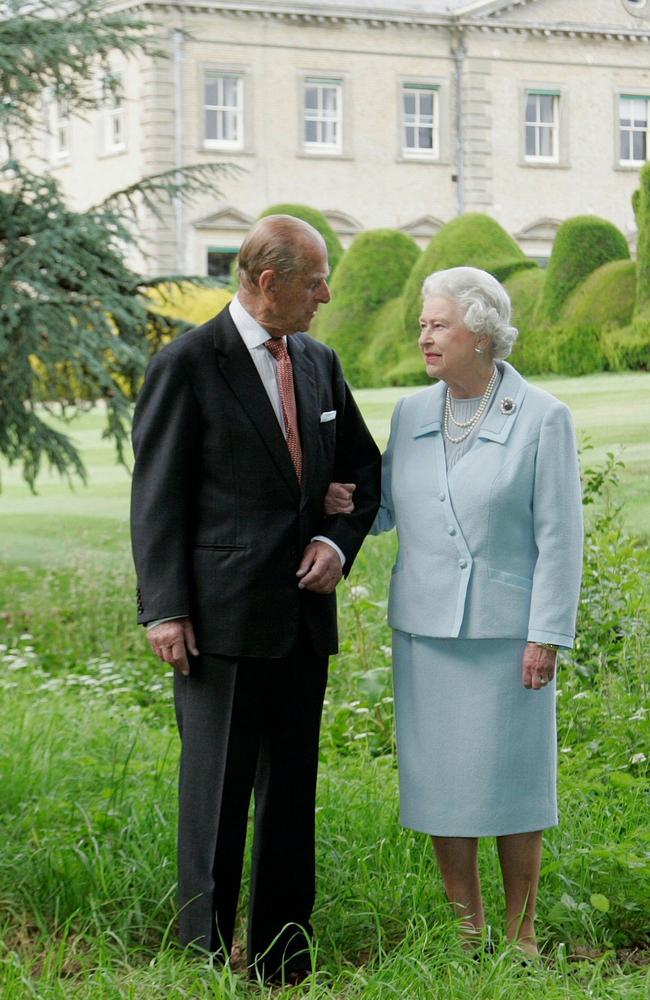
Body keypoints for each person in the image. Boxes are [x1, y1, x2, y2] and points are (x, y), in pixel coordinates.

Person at [130, 215, 381, 982]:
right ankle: (201, 964)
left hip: (302, 623)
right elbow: (157, 497)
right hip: (219, 624)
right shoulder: (187, 362)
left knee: (290, 799)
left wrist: (335, 539)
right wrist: (164, 608)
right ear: (268, 283)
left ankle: (282, 963)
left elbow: (362, 475)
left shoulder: (318, 360)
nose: (327, 295)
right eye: (315, 282)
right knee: (215, 801)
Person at [326, 266, 583, 956]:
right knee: (441, 786)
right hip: (426, 633)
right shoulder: (411, 412)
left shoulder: (543, 417)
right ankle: (464, 930)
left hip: (508, 638)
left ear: (481, 334)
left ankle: (521, 933)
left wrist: (547, 636)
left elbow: (561, 537)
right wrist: (344, 505)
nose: (424, 336)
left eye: (438, 323)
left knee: (515, 787)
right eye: (422, 324)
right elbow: (388, 509)